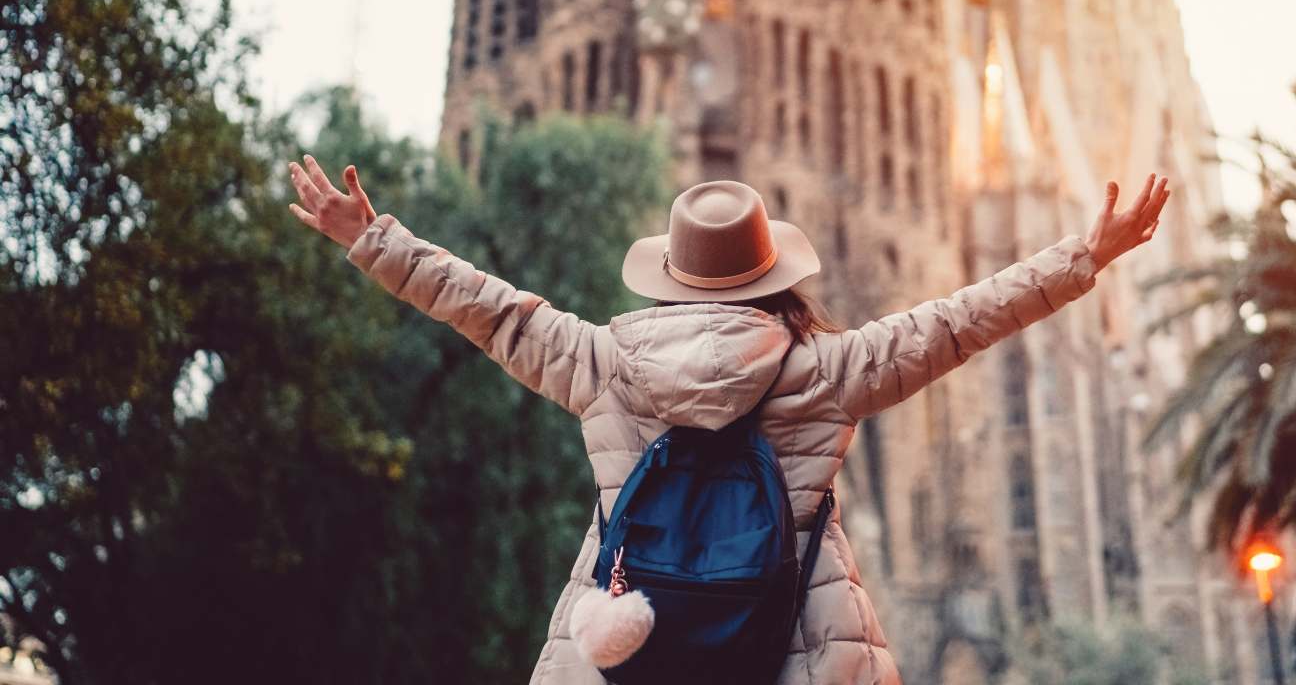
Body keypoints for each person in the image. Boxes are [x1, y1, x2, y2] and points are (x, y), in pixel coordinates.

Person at [287, 155, 1170, 685]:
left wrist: (373, 239)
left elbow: (490, 310)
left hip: (627, 646)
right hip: (792, 649)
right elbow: (960, 320)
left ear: (667, 276)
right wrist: (1085, 253)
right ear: (776, 278)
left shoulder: (602, 364)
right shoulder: (827, 371)